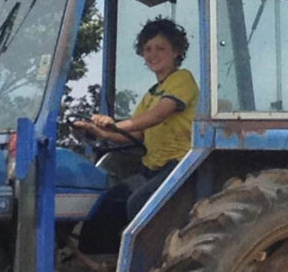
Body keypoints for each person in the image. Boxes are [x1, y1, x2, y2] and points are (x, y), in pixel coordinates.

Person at [74, 17, 198, 223]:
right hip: (151, 169)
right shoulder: (151, 95)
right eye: (148, 49)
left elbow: (159, 115)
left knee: (139, 203)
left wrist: (113, 124)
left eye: (160, 48)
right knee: (110, 200)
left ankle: (151, 256)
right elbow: (136, 134)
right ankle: (94, 255)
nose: (153, 54)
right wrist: (98, 131)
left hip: (179, 166)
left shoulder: (182, 79)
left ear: (176, 51)